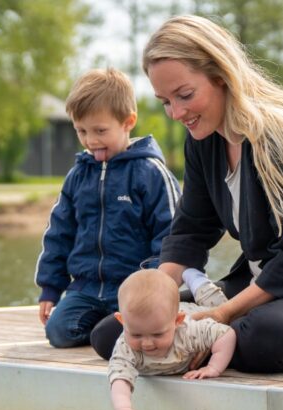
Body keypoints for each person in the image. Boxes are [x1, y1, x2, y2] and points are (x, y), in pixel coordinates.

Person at [91, 15, 283, 372]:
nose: (177, 113)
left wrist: (223, 314)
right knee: (114, 332)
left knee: (263, 336)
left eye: (185, 95)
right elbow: (192, 229)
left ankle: (214, 344)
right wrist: (156, 298)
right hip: (263, 287)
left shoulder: (282, 136)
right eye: (165, 101)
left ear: (222, 76)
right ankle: (212, 344)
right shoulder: (203, 139)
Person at [36, 68, 181, 349]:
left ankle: (124, 329)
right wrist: (50, 288)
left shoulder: (150, 173)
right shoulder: (78, 176)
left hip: (133, 289)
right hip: (86, 289)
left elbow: (170, 234)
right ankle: (111, 330)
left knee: (134, 327)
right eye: (81, 131)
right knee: (58, 333)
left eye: (100, 131)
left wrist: (155, 283)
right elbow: (59, 233)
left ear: (128, 122)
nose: (91, 140)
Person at [109, 269, 235, 410]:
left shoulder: (189, 331)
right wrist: (124, 409)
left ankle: (199, 282)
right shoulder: (125, 346)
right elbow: (119, 378)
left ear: (177, 321)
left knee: (218, 304)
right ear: (121, 321)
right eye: (137, 334)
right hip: (171, 314)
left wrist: (214, 367)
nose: (147, 343)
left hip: (193, 312)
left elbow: (226, 334)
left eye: (157, 334)